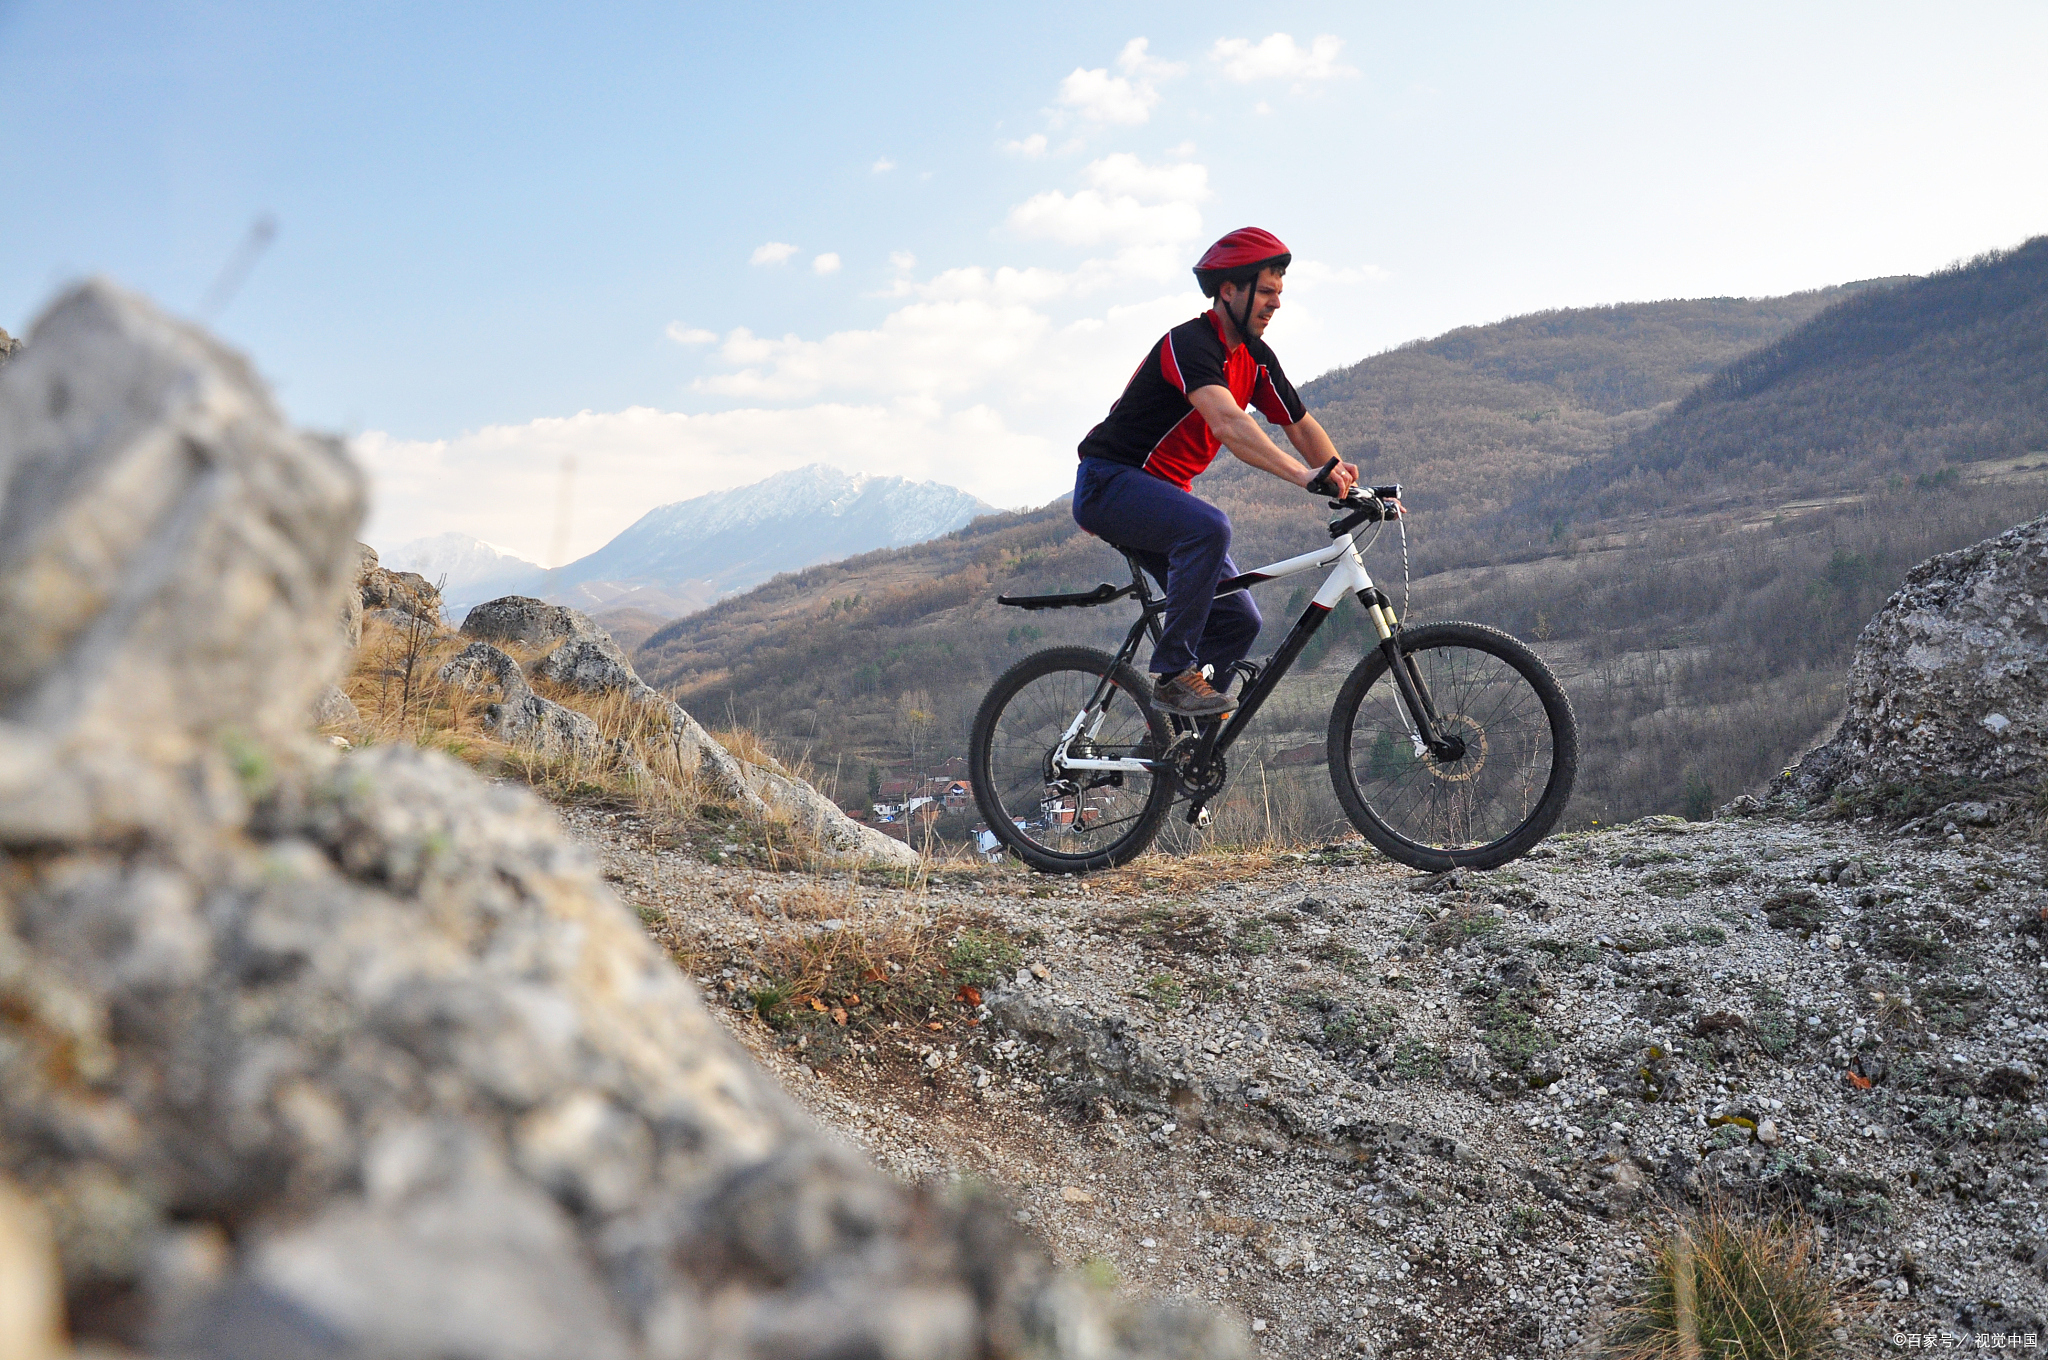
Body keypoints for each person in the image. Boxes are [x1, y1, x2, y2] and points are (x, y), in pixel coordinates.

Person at [1071, 227, 1359, 717]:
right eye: (1266, 292)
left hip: (1157, 495)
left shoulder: (1256, 359)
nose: (1276, 304)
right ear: (1230, 290)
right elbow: (1228, 421)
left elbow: (1299, 423)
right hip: (1110, 482)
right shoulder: (1190, 344)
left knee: (1236, 619)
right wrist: (1302, 476)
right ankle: (1174, 678)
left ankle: (1185, 750)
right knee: (1209, 528)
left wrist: (1346, 482)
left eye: (1279, 294)